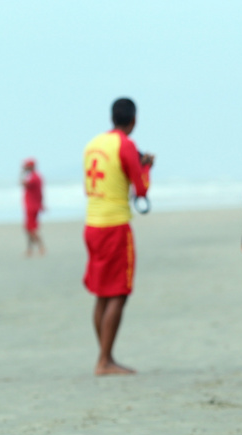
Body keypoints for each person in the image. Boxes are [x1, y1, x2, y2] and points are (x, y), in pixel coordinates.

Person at [82, 98, 154, 376]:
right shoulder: (125, 145)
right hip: (114, 225)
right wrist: (146, 167)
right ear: (133, 121)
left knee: (102, 294)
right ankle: (105, 360)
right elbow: (142, 188)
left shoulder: (93, 144)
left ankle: (104, 356)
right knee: (118, 293)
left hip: (91, 223)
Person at [20, 158, 45, 256]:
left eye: (26, 166)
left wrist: (22, 174)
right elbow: (40, 193)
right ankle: (30, 249)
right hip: (33, 206)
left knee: (30, 229)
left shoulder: (34, 178)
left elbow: (23, 184)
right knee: (29, 228)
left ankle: (41, 247)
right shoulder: (36, 177)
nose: (25, 168)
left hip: (32, 206)